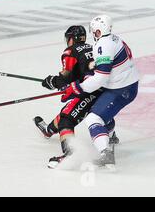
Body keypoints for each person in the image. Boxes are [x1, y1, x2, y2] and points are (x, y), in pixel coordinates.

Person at [61, 15, 139, 167]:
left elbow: (100, 79)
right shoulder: (115, 39)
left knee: (94, 119)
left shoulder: (103, 46)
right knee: (102, 111)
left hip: (121, 89)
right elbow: (110, 64)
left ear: (97, 31)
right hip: (127, 84)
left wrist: (77, 88)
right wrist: (93, 66)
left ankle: (106, 154)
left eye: (92, 30)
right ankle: (110, 138)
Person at [33, 26, 116, 168]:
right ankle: (49, 130)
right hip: (106, 88)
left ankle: (69, 154)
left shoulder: (69, 52)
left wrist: (51, 81)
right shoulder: (94, 46)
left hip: (90, 90)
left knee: (66, 118)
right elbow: (85, 71)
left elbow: (65, 77)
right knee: (78, 110)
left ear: (71, 39)